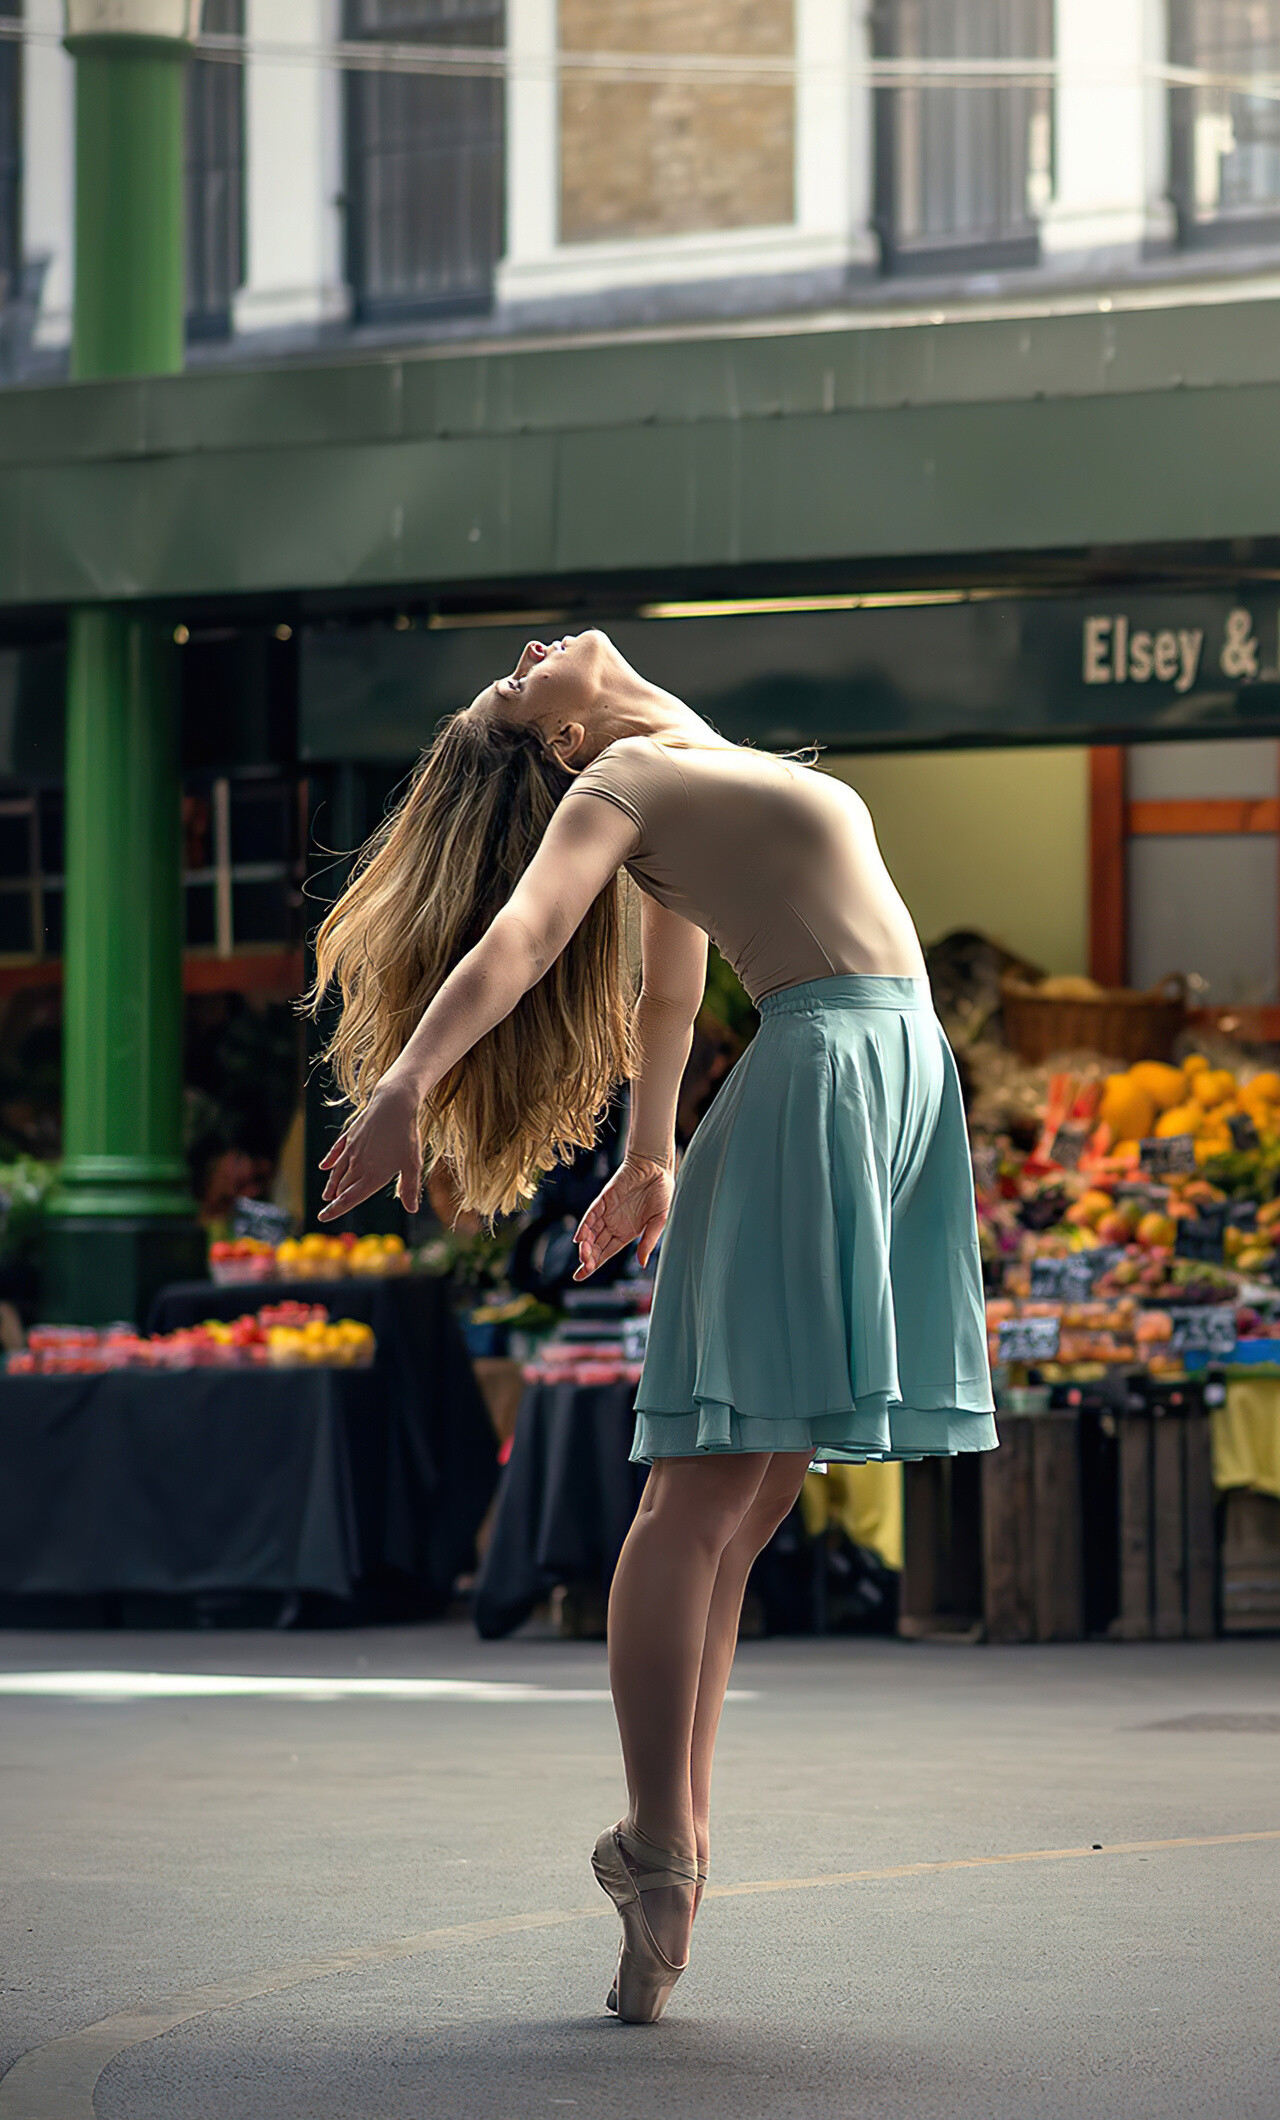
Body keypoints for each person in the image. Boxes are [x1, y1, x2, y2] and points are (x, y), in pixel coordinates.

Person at [305, 629, 997, 2025]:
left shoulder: (689, 762)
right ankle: (659, 1838)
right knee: (701, 1499)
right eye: (514, 685)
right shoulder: (615, 780)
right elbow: (526, 935)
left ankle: (664, 1846)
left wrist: (652, 1154)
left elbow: (669, 991)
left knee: (750, 1505)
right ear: (556, 747)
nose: (526, 652)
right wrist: (413, 1086)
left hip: (880, 1074)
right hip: (826, 1074)